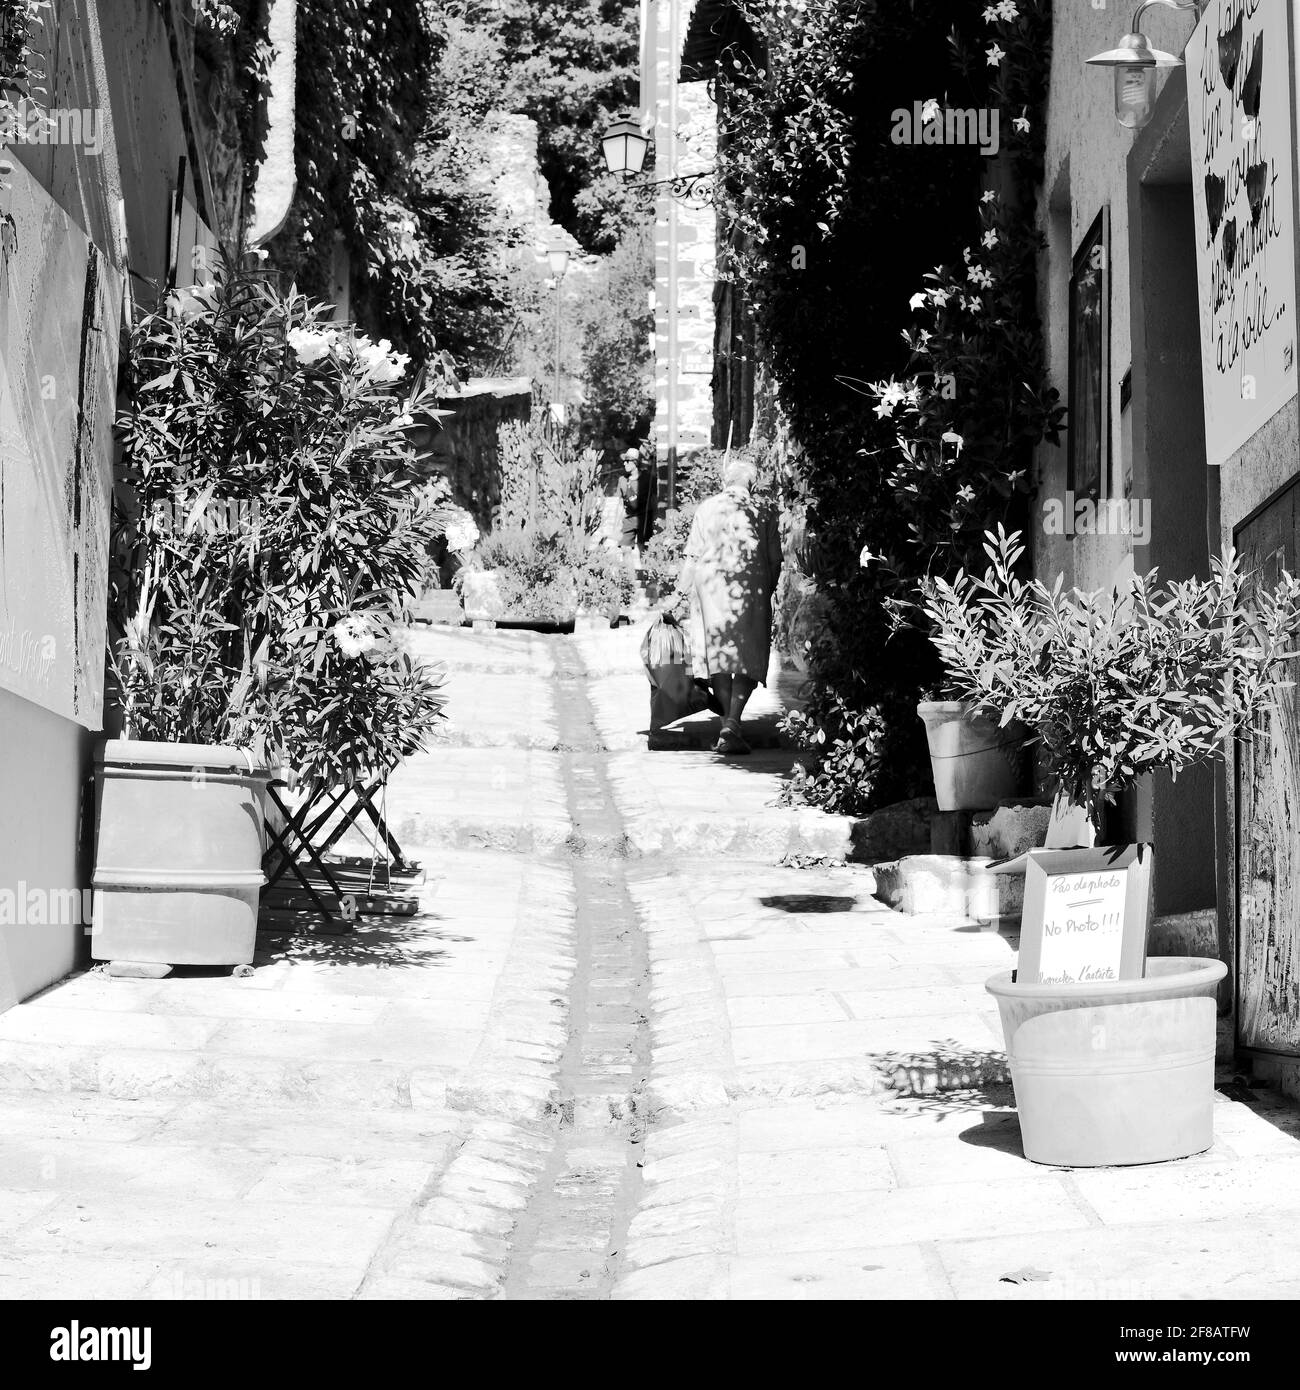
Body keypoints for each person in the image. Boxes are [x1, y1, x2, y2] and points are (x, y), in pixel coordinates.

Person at [679, 459, 782, 756]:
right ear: (751, 483)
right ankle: (732, 722)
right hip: (751, 587)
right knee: (750, 652)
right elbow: (775, 559)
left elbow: (693, 556)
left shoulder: (707, 507)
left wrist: (679, 593)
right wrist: (769, 587)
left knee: (719, 653)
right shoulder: (764, 511)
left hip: (710, 586)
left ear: (726, 481)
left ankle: (728, 725)